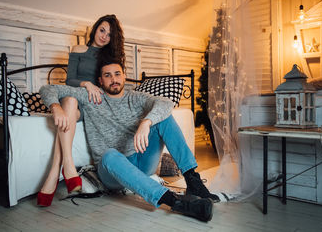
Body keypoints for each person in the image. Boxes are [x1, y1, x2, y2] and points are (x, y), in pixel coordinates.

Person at [38, 56, 219, 222]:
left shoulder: (135, 97)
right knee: (109, 155)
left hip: (141, 160)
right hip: (111, 171)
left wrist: (146, 122)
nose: (114, 79)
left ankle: (192, 180)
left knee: (164, 117)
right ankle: (176, 202)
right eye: (107, 76)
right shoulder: (91, 97)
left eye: (117, 74)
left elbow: (166, 103)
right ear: (100, 81)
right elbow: (48, 89)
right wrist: (55, 107)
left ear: (124, 76)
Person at [37, 15, 125, 204]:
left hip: (91, 104)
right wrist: (86, 84)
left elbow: (110, 84)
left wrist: (97, 90)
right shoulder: (79, 49)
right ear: (95, 29)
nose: (104, 36)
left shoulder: (109, 58)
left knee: (69, 107)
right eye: (102, 30)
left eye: (109, 35)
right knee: (69, 99)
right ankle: (67, 167)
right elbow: (70, 80)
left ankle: (54, 174)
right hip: (74, 98)